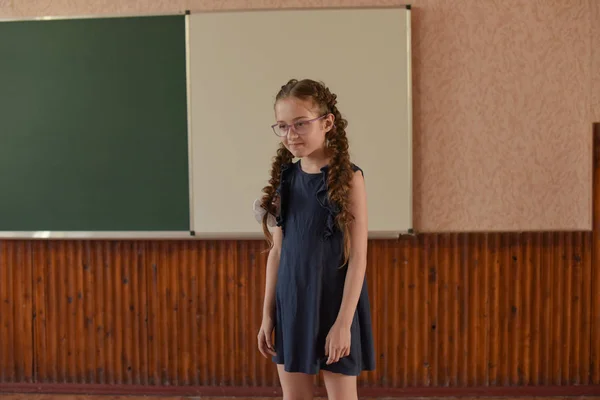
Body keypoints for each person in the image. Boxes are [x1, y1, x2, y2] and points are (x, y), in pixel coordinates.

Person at [256, 78, 375, 400]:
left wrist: (343, 324)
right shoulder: (287, 180)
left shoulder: (350, 179)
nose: (291, 135)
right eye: (282, 126)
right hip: (292, 303)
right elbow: (278, 252)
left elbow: (358, 257)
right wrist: (268, 314)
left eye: (300, 124)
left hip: (336, 305)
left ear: (327, 122)